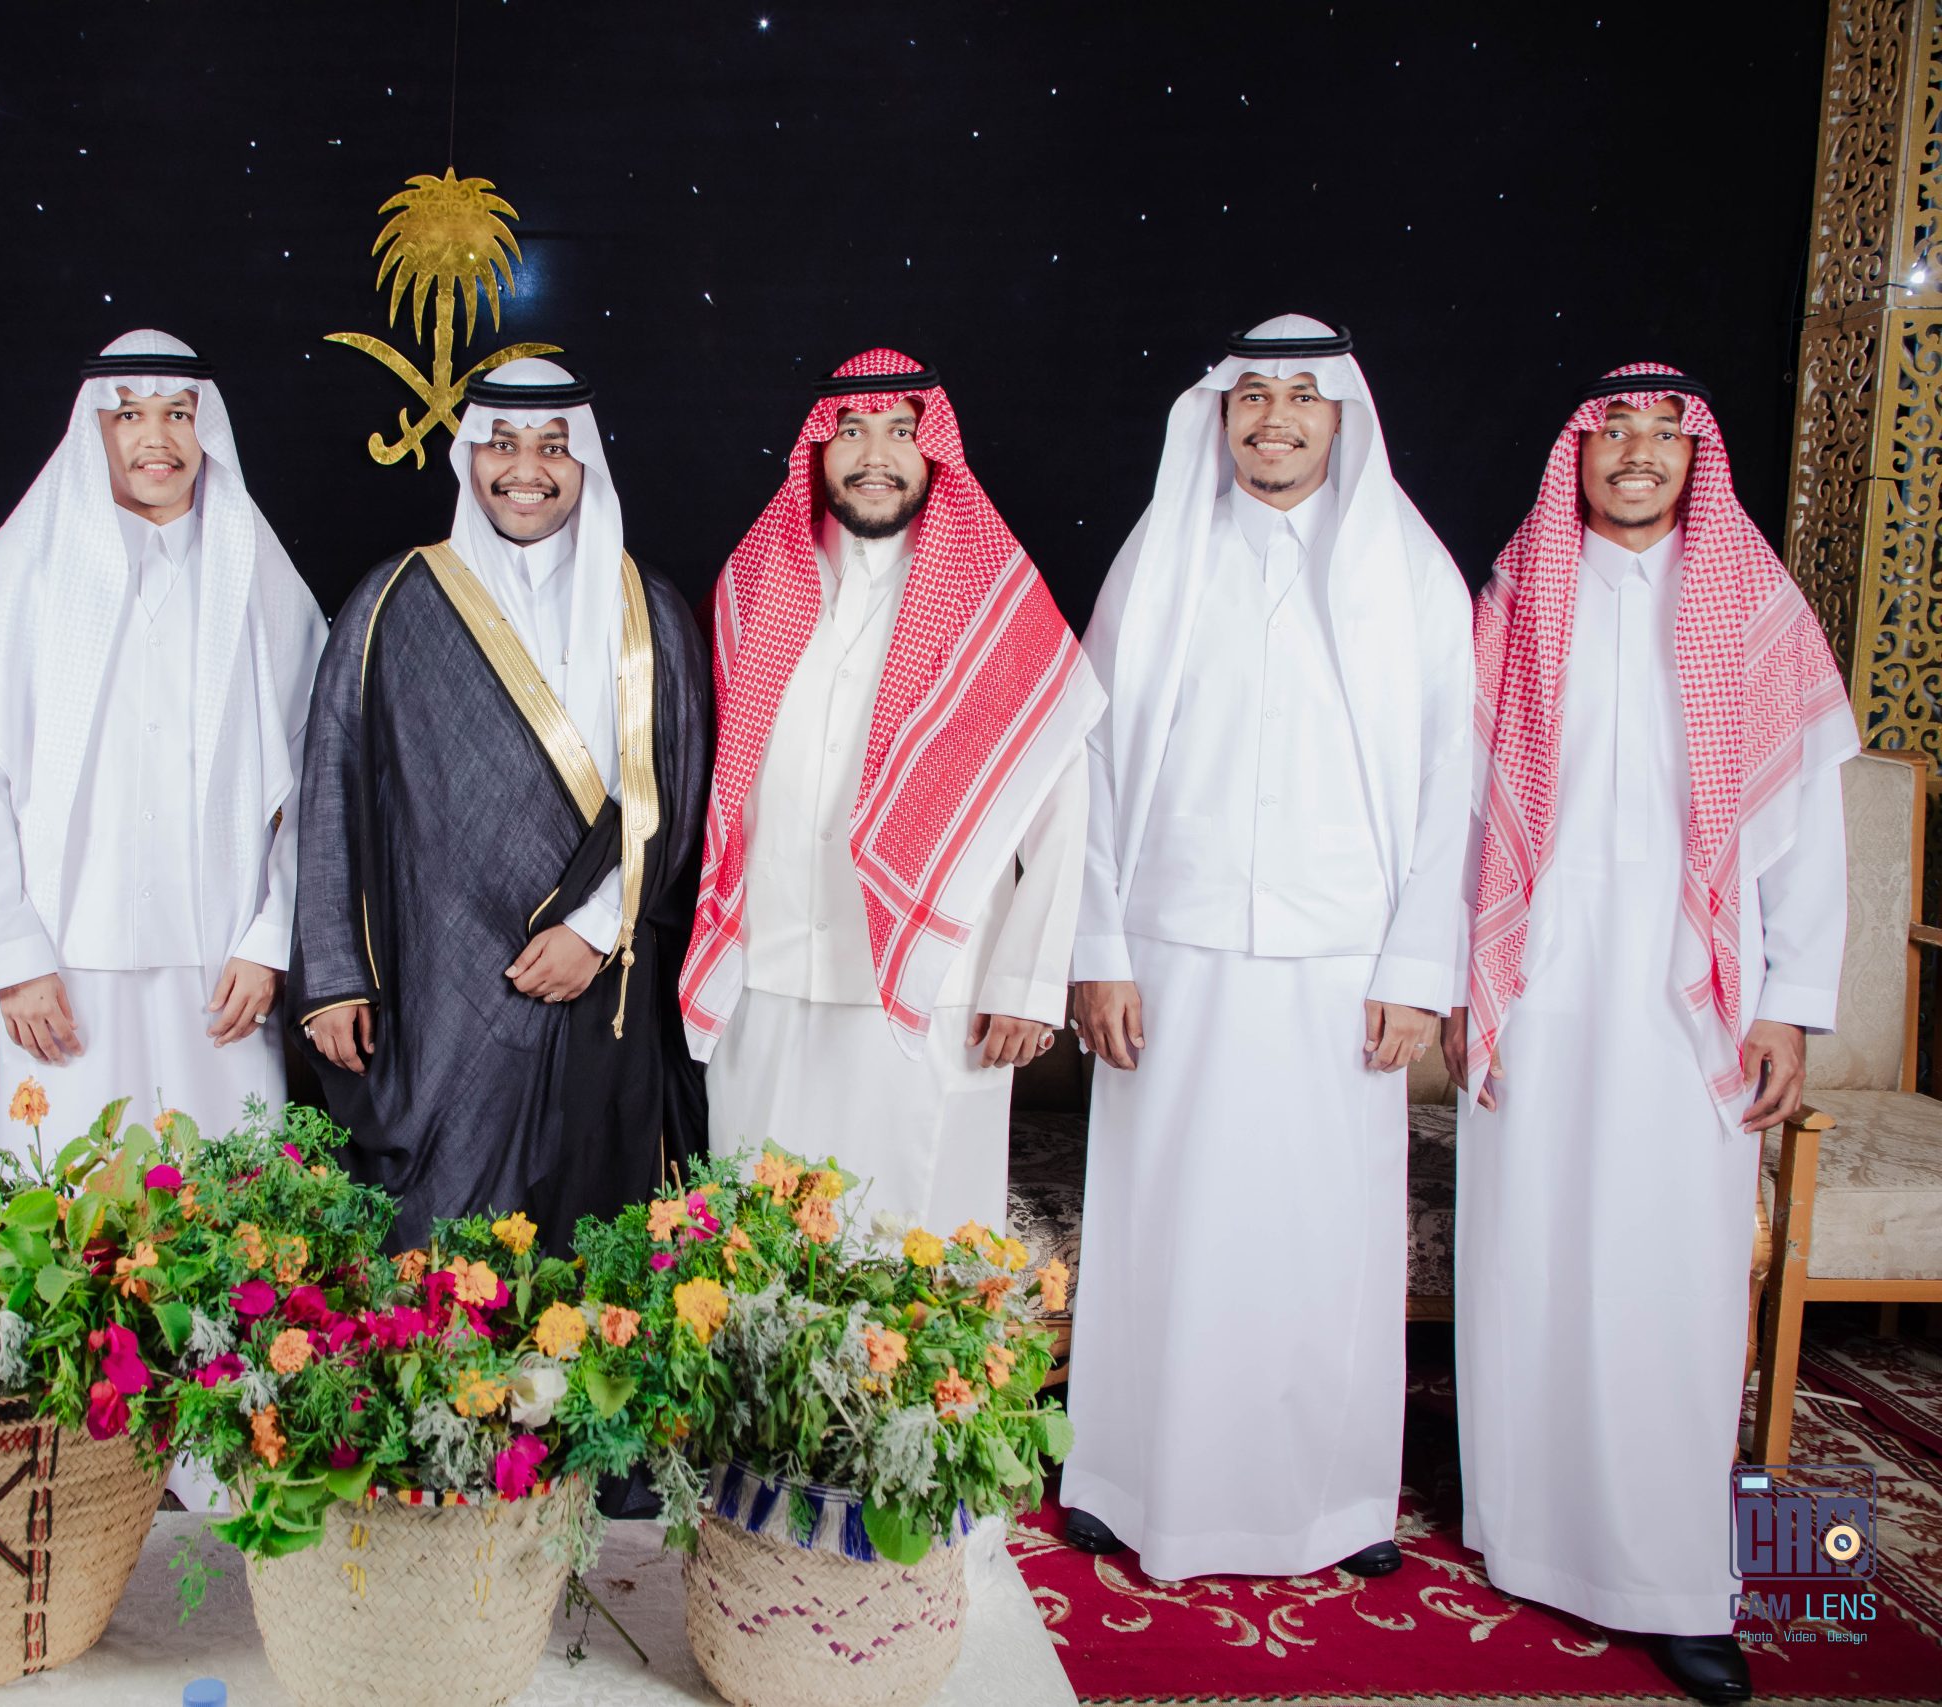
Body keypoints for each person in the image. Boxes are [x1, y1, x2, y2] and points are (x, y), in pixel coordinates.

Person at [1447, 364, 1854, 1705]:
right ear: (1575, 454)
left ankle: (1676, 1582)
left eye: (1662, 433)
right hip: (1538, 988)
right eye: (1610, 430)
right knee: (1530, 1259)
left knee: (1673, 1282)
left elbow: (1807, 827)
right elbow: (1462, 808)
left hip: (1696, 1001)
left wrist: (1790, 1000)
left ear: (1696, 458)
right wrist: (1455, 982)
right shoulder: (1517, 596)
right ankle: (1525, 1534)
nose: (1634, 451)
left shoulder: (1756, 603)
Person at [1061, 315, 1473, 1582]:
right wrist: (1097, 946)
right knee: (1166, 1231)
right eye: (1254, 397)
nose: (1276, 418)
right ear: (1223, 417)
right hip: (1170, 956)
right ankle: (1125, 1481)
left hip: (1341, 968)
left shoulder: (1409, 569)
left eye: (1303, 395)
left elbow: (1452, 780)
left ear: (1342, 416)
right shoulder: (1159, 555)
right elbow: (1092, 763)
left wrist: (1417, 969)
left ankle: (1329, 1505)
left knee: (1320, 1242)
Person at [292, 358, 708, 1251]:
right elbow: (331, 782)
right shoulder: (393, 601)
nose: (527, 468)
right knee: (443, 1252)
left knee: (591, 1239)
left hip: (598, 975)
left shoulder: (648, 610)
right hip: (437, 987)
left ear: (585, 460)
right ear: (469, 457)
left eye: (553, 446)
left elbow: (677, 792)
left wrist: (595, 930)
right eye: (503, 443)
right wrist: (334, 975)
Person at [681, 347, 1097, 1234]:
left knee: (915, 1258)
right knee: (760, 1256)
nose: (876, 454)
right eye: (852, 430)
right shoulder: (754, 582)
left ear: (933, 447)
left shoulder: (992, 597)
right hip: (768, 978)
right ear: (817, 449)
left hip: (929, 992)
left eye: (901, 431)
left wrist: (1026, 980)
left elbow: (1063, 800)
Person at [0, 330, 325, 1155]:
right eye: (129, 415)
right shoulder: (23, 574)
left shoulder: (257, 575)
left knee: (225, 1207)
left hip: (222, 974)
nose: (157, 437)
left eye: (178, 413)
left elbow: (318, 771)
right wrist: (13, 955)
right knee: (63, 1203)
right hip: (61, 970)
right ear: (95, 430)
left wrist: (270, 939)